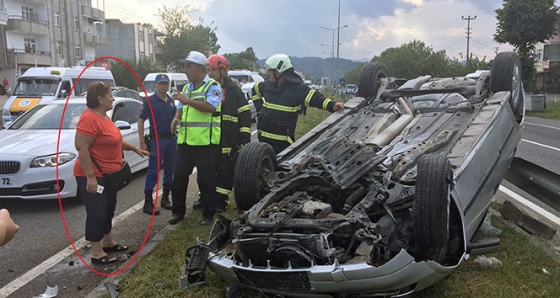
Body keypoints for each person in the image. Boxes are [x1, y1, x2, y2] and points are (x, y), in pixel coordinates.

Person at [74, 82, 149, 264]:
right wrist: (91, 177)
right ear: (100, 99)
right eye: (110, 96)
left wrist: (134, 149)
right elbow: (82, 148)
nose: (113, 99)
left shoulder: (104, 117)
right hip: (93, 176)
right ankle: (97, 252)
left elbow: (114, 139)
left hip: (109, 175)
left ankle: (108, 241)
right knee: (97, 212)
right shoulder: (89, 118)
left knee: (108, 208)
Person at [168, 51, 223, 225]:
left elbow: (210, 107)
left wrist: (186, 100)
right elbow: (181, 107)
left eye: (188, 66)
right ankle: (178, 212)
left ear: (199, 69)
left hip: (204, 142)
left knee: (206, 180)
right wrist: (176, 117)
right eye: (184, 66)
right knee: (178, 178)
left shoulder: (212, 87)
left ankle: (208, 213)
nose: (185, 70)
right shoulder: (186, 87)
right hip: (185, 142)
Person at [251, 53, 345, 154]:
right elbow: (255, 89)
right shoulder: (267, 85)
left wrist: (332, 105)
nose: (268, 73)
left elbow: (316, 98)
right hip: (263, 143)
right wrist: (260, 110)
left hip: (283, 147)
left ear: (279, 72)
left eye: (270, 70)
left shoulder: (297, 89)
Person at [204, 54, 251, 212]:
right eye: (208, 70)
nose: (209, 73)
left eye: (213, 70)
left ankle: (221, 201)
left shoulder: (234, 91)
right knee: (208, 170)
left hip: (228, 139)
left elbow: (245, 114)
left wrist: (244, 137)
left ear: (222, 71)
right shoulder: (206, 89)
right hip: (210, 137)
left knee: (225, 171)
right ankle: (204, 198)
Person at [138, 74, 177, 215]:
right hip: (157, 140)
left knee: (170, 170)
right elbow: (141, 120)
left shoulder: (171, 101)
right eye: (160, 83)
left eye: (165, 83)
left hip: (171, 139)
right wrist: (142, 141)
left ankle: (165, 198)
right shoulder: (149, 101)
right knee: (154, 171)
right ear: (155, 85)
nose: (163, 86)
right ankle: (148, 201)